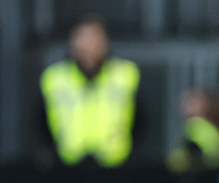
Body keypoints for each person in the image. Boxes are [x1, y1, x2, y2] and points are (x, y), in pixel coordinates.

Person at [39, 15, 142, 168]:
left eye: (94, 37)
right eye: (83, 38)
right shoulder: (55, 77)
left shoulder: (125, 74)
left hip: (116, 165)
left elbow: (142, 120)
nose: (88, 45)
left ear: (105, 42)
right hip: (67, 165)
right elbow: (40, 122)